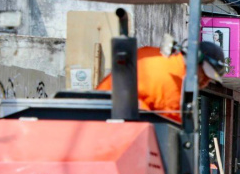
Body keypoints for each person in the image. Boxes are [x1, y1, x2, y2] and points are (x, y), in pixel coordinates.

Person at [96, 41, 226, 123]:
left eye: (210, 80)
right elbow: (172, 132)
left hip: (99, 114)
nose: (205, 83)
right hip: (109, 125)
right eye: (205, 75)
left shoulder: (153, 54)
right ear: (195, 60)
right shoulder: (174, 85)